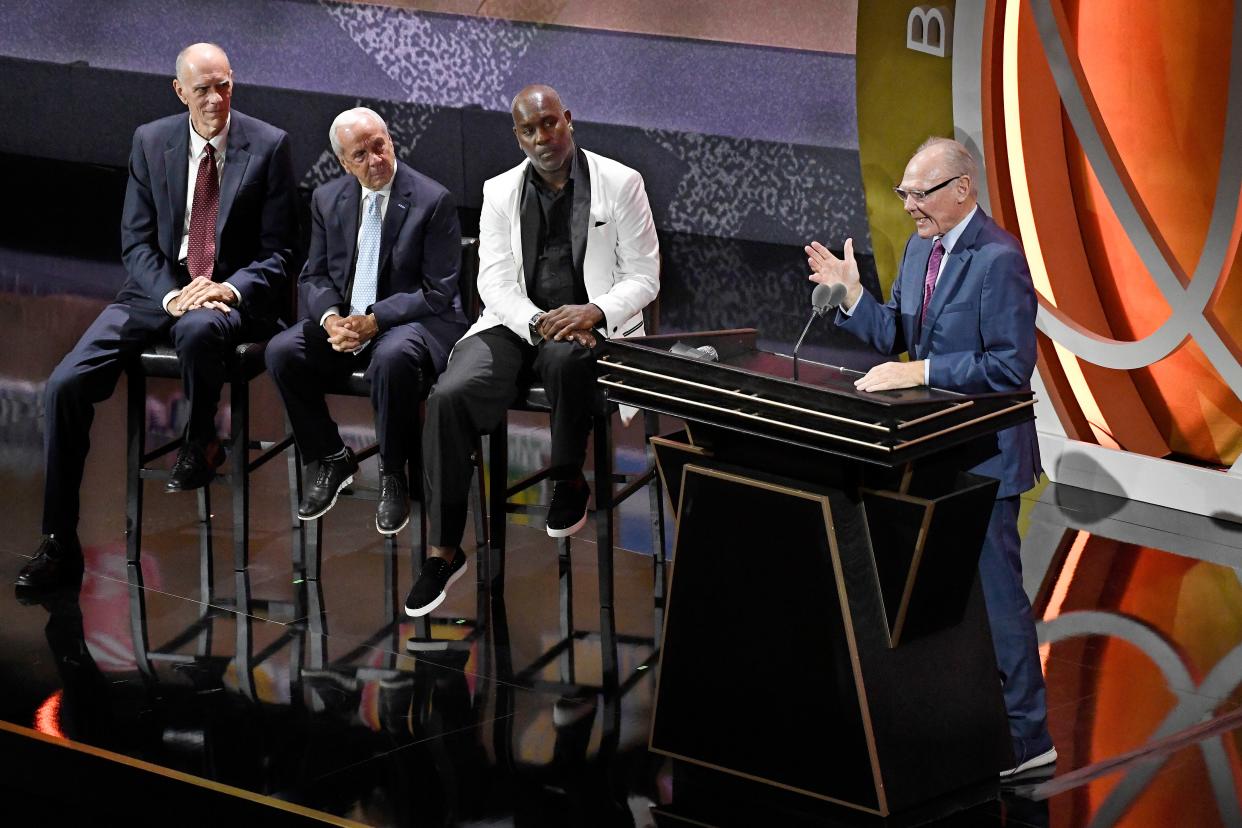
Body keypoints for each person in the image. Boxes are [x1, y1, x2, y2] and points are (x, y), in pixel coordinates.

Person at [805, 137, 1054, 777]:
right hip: (926, 451)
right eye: (904, 193)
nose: (910, 206)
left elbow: (1009, 367)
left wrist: (920, 371)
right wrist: (851, 299)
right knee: (932, 599)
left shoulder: (998, 259)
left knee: (999, 602)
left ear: (962, 187)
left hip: (985, 458)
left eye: (920, 193)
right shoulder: (922, 248)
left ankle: (1029, 740)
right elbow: (897, 332)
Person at [18, 43, 297, 590]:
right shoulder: (152, 141)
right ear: (179, 92)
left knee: (198, 330)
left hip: (229, 294)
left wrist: (227, 290)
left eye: (224, 86)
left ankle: (200, 442)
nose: (216, 99)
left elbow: (279, 253)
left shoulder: (268, 146)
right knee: (64, 387)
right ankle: (58, 543)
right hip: (156, 292)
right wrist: (171, 295)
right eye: (203, 90)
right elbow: (136, 243)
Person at [404, 84, 660, 617]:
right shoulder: (499, 191)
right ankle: (444, 550)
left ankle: (569, 478)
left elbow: (644, 276)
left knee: (569, 360)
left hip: (592, 323)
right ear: (517, 136)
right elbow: (493, 283)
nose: (543, 137)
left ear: (568, 120)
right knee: (449, 395)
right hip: (519, 321)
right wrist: (539, 321)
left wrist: (593, 312)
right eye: (530, 129)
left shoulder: (621, 183)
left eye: (550, 123)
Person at [265, 107, 468, 535]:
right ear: (343, 162)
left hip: (416, 321)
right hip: (351, 321)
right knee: (282, 351)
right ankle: (332, 456)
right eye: (361, 154)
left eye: (380, 145)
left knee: (392, 359)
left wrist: (374, 320)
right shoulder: (327, 199)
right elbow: (314, 275)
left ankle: (394, 475)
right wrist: (331, 318)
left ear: (390, 139)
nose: (375, 160)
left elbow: (438, 291)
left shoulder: (433, 200)